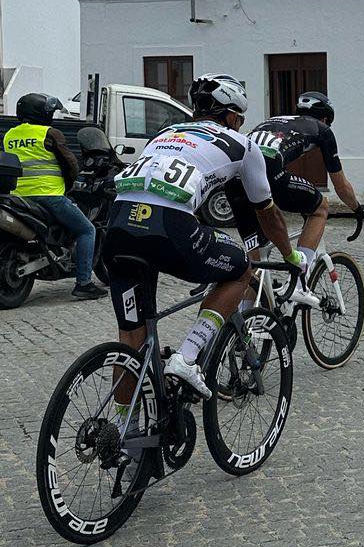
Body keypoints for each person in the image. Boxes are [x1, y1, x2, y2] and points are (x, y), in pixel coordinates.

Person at [101, 74, 307, 399]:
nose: (239, 125)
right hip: (167, 225)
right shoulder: (244, 145)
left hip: (117, 226)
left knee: (131, 343)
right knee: (240, 269)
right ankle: (187, 357)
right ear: (229, 115)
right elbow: (268, 213)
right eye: (238, 118)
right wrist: (291, 256)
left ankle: (126, 440)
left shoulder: (165, 133)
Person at [3, 93, 106, 301]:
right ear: (41, 114)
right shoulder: (50, 133)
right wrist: (70, 183)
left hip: (18, 197)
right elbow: (70, 164)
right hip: (48, 195)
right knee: (87, 229)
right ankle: (84, 283)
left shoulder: (10, 135)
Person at [246, 92, 364, 271]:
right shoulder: (322, 129)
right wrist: (358, 209)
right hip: (268, 172)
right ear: (325, 118)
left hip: (237, 179)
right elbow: (341, 188)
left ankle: (255, 296)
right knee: (320, 207)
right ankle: (301, 281)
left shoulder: (275, 120)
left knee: (255, 268)